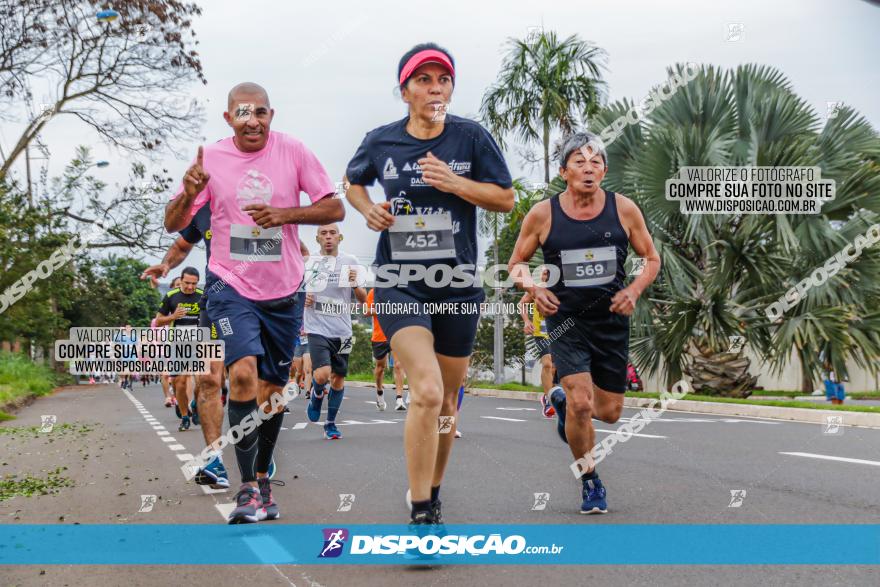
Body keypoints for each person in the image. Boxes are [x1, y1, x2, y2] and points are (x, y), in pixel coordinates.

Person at [345, 43, 514, 525]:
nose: (434, 87)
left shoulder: (471, 138)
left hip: (458, 283)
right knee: (425, 387)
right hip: (400, 281)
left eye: (443, 80)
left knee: (447, 403)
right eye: (424, 80)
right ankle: (421, 508)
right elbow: (353, 182)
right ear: (405, 91)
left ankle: (433, 489)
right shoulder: (381, 142)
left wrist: (455, 184)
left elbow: (505, 198)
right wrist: (368, 208)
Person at [164, 81, 343, 523]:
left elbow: (334, 208)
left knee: (273, 394)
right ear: (229, 119)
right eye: (243, 113)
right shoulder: (212, 160)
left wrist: (286, 215)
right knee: (240, 376)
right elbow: (174, 225)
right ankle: (245, 489)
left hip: (283, 289)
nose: (253, 121)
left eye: (260, 112)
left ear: (271, 115)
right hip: (230, 286)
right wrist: (188, 193)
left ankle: (263, 477)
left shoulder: (294, 151)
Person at [508, 131, 661, 514]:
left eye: (595, 162)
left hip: (610, 321)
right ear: (564, 171)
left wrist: (635, 290)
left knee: (608, 412)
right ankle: (590, 480)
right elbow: (515, 265)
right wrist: (534, 289)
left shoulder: (624, 210)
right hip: (566, 319)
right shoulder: (543, 214)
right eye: (579, 162)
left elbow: (652, 259)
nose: (588, 168)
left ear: (604, 170)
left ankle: (558, 400)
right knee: (581, 402)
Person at [304, 224, 368, 439]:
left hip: (342, 329)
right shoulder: (308, 262)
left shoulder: (351, 262)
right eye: (324, 233)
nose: (328, 237)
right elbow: (293, 290)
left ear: (340, 237)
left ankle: (330, 423)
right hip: (316, 327)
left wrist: (355, 284)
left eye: (332, 233)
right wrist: (304, 296)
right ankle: (316, 393)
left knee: (338, 379)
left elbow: (363, 299)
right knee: (322, 374)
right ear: (317, 238)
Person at [154, 266, 203, 431]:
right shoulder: (171, 297)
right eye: (187, 283)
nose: (190, 287)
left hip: (198, 343)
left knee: (202, 381)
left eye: (194, 284)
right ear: (180, 280)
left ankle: (195, 404)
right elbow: (158, 321)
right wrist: (173, 317)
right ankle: (184, 417)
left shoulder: (203, 296)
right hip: (178, 344)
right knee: (179, 382)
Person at [365, 287, 407, 411]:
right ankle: (379, 393)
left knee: (399, 365)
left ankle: (399, 399)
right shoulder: (373, 292)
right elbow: (366, 311)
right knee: (380, 368)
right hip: (379, 337)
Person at [520, 288, 556, 418]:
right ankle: (549, 401)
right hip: (541, 332)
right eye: (544, 272)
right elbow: (522, 303)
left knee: (554, 368)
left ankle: (550, 394)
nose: (545, 275)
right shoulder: (535, 289)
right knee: (547, 364)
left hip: (560, 331)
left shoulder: (563, 287)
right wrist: (526, 321)